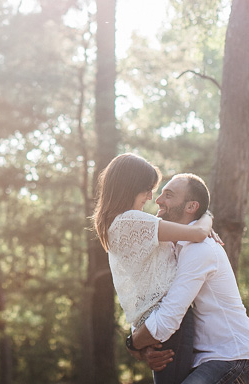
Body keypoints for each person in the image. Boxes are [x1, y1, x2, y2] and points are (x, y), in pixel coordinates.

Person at [92, 153, 215, 384]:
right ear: (129, 187)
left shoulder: (116, 224)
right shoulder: (132, 221)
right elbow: (198, 234)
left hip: (152, 324)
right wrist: (206, 216)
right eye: (147, 189)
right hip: (168, 319)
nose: (151, 196)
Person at [130, 173, 249, 384]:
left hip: (231, 357)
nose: (159, 200)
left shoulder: (199, 249)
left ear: (191, 207)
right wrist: (145, 347)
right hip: (194, 359)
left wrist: (134, 343)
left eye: (168, 195)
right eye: (161, 194)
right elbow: (148, 302)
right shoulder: (167, 248)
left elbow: (167, 319)